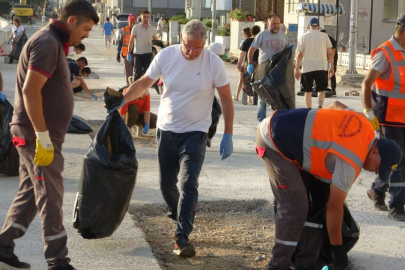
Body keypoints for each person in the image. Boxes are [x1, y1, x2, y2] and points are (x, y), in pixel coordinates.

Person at [106, 20, 234, 258]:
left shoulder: (213, 63)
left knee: (188, 183)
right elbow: (145, 82)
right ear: (180, 39)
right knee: (166, 185)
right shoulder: (166, 56)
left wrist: (228, 133)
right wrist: (123, 99)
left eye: (198, 48)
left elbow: (226, 99)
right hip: (167, 130)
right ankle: (180, 214)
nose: (192, 52)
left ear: (204, 44)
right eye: (188, 46)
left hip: (196, 132)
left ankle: (181, 236)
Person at [0, 1, 98, 269]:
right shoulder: (47, 42)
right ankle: (58, 261)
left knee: (32, 192)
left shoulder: (53, 41)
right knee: (50, 195)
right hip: (36, 135)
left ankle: (3, 244)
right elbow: (31, 91)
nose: (87, 35)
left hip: (37, 134)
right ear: (73, 20)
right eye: (87, 28)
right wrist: (43, 137)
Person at [256, 101, 402, 270]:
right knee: (295, 206)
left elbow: (335, 104)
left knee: (316, 202)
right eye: (379, 166)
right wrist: (337, 249)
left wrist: (319, 135)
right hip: (273, 140)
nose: (377, 172)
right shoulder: (352, 162)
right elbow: (334, 208)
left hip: (285, 127)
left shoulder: (364, 123)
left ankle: (306, 263)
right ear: (376, 151)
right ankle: (278, 265)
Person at [361, 12, 405, 221]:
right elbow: (367, 83)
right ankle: (396, 203)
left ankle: (376, 190)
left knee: (394, 160)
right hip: (389, 117)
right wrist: (368, 112)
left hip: (404, 116)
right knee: (398, 161)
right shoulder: (385, 52)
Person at [247, 14, 289, 122]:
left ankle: (277, 119)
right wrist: (250, 64)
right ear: (268, 24)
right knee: (263, 96)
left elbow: (287, 52)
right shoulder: (262, 35)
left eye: (278, 23)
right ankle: (261, 120)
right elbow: (251, 50)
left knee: (278, 96)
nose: (276, 26)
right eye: (273, 23)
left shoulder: (283, 36)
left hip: (278, 70)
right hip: (264, 69)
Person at [295, 18, 334, 109]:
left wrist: (296, 69)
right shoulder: (324, 36)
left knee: (307, 91)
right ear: (319, 27)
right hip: (322, 67)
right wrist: (331, 66)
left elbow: (299, 55)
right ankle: (320, 106)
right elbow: (330, 53)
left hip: (307, 67)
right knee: (321, 89)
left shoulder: (303, 37)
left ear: (309, 26)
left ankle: (308, 110)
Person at [127, 10, 157, 81]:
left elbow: (156, 41)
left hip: (148, 54)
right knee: (137, 73)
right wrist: (128, 53)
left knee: (148, 74)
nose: (146, 19)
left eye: (147, 17)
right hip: (138, 54)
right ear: (140, 17)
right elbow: (131, 41)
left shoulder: (152, 28)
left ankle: (145, 91)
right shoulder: (136, 28)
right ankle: (136, 90)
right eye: (144, 17)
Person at [117, 14, 137, 86]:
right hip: (127, 55)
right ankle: (129, 86)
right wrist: (118, 53)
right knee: (128, 73)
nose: (132, 23)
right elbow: (120, 42)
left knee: (137, 73)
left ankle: (135, 87)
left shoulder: (138, 30)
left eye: (133, 22)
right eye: (131, 22)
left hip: (136, 54)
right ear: (128, 21)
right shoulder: (124, 30)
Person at [235, 27, 252, 103]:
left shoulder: (244, 42)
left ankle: (237, 95)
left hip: (245, 63)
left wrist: (239, 63)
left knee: (241, 79)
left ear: (246, 34)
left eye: (243, 33)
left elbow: (242, 53)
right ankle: (249, 98)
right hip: (253, 62)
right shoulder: (254, 41)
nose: (242, 35)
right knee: (250, 80)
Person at [320, 29, 338, 96]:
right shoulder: (320, 40)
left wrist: (331, 64)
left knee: (332, 72)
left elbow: (332, 53)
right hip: (324, 56)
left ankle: (333, 89)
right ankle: (324, 87)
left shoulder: (331, 40)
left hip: (333, 57)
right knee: (323, 72)